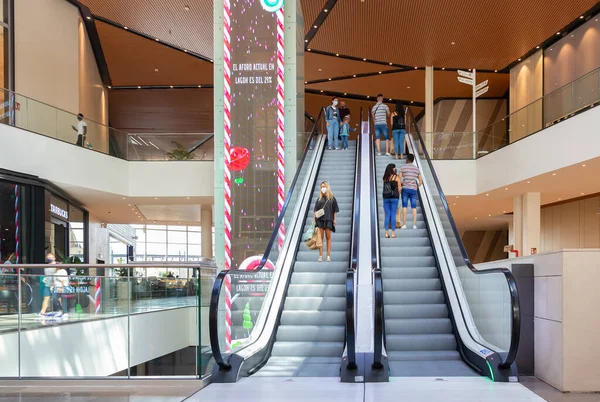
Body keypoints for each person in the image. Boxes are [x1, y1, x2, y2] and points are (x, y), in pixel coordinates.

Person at [313, 181, 339, 262]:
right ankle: (320, 255)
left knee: (328, 237)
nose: (322, 188)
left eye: (324, 186)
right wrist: (314, 220)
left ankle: (328, 255)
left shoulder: (332, 198)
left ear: (327, 187)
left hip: (328, 219)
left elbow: (335, 210)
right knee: (320, 238)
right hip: (320, 220)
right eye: (321, 187)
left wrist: (334, 219)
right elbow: (315, 210)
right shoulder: (319, 199)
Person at [399, 153, 423, 229]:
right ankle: (414, 225)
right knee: (414, 207)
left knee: (404, 206)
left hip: (405, 189)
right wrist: (416, 186)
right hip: (413, 189)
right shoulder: (416, 169)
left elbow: (399, 179)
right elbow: (420, 181)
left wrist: (401, 185)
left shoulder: (403, 168)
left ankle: (404, 224)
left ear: (407, 159)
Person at [382, 164, 401, 238]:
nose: (395, 169)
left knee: (387, 215)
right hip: (394, 198)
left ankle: (386, 233)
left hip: (386, 197)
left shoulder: (385, 178)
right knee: (393, 214)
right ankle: (393, 233)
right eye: (394, 168)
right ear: (392, 169)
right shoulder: (396, 177)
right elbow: (399, 188)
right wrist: (398, 195)